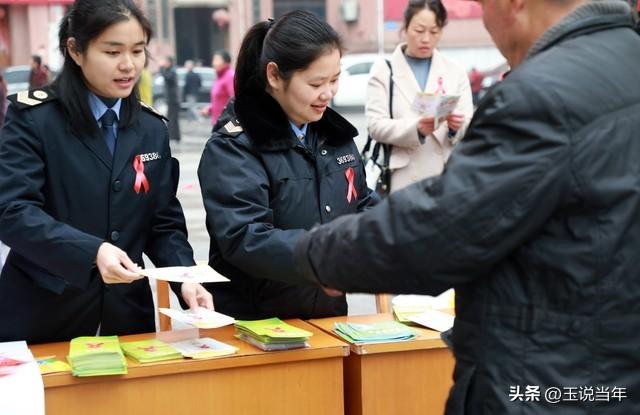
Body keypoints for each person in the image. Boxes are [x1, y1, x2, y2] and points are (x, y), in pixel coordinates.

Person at [294, 0, 640, 413]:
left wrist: (317, 255)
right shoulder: (626, 57)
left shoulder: (543, 94)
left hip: (551, 381)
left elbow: (443, 229)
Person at [0, 0, 213, 344]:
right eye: (112, 52)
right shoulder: (35, 120)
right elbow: (12, 211)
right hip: (44, 314)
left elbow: (162, 222)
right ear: (76, 50)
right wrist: (91, 252)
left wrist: (185, 277)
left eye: (138, 51)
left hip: (127, 317)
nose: (128, 65)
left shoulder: (150, 127)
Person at [198, 11, 377, 320]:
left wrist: (405, 225)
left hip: (328, 321)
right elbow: (245, 236)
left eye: (334, 80)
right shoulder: (235, 147)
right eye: (316, 83)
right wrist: (320, 255)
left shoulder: (334, 137)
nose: (328, 93)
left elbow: (360, 204)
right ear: (274, 76)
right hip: (258, 327)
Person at [367, 0, 473, 192]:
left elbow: (469, 123)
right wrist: (416, 128)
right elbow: (375, 125)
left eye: (434, 31)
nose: (426, 39)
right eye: (419, 30)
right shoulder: (384, 70)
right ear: (405, 27)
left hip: (446, 178)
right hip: (402, 180)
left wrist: (456, 127)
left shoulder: (454, 71)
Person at [201, 49, 234, 126]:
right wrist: (209, 109)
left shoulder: (230, 76)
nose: (213, 63)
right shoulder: (219, 77)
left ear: (226, 62)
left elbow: (234, 100)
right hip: (217, 122)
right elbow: (219, 100)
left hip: (226, 124)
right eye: (213, 60)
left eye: (217, 60)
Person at [159, 56, 181, 141]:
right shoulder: (170, 70)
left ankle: (173, 136)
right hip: (172, 99)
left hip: (173, 99)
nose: (165, 64)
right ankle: (175, 136)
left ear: (170, 63)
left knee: (172, 118)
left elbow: (166, 77)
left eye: (166, 62)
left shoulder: (172, 71)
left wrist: (161, 68)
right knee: (172, 118)